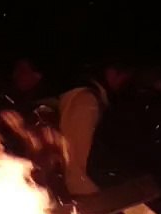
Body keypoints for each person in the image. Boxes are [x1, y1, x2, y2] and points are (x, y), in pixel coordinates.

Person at [57, 57, 135, 197]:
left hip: (82, 188)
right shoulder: (86, 100)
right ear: (111, 73)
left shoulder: (87, 99)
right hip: (85, 191)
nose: (123, 85)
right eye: (123, 77)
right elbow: (82, 153)